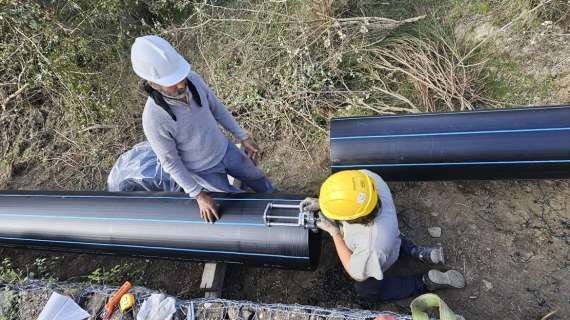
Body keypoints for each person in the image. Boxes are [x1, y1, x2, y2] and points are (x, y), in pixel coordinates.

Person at [130, 35, 274, 223]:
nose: (182, 84)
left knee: (256, 177)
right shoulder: (153, 118)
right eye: (173, 83)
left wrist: (242, 136)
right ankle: (264, 226)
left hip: (225, 149)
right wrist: (198, 195)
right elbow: (171, 162)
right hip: (204, 171)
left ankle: (278, 199)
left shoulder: (193, 80)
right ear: (153, 83)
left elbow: (217, 108)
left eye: (180, 77)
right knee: (237, 200)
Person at [301, 170, 466, 302]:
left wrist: (334, 232)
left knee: (366, 290)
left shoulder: (371, 247)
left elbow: (355, 272)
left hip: (381, 254)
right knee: (394, 242)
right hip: (390, 238)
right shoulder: (368, 179)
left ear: (353, 218)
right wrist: (324, 203)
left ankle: (424, 281)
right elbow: (350, 196)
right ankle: (419, 252)